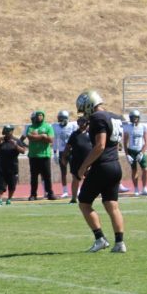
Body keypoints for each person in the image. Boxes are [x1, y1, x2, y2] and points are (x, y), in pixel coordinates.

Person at [74, 90, 126, 253]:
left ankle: (100, 239)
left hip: (103, 165)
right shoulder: (115, 117)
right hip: (115, 164)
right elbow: (117, 144)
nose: (84, 113)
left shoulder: (97, 117)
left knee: (84, 201)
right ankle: (120, 243)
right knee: (112, 204)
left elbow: (100, 145)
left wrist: (83, 166)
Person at [23, 109, 56, 200]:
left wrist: (38, 137)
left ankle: (50, 193)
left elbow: (50, 140)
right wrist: (42, 136)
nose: (39, 117)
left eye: (41, 115)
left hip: (45, 155)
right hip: (33, 155)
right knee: (34, 176)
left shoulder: (48, 127)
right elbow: (30, 137)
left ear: (43, 116)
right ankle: (33, 194)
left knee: (47, 176)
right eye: (38, 115)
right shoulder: (31, 127)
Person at [0, 124, 26, 205]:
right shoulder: (0, 140)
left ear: (11, 131)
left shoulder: (17, 140)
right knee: (0, 184)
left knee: (12, 184)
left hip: (12, 166)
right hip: (1, 166)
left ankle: (9, 199)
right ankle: (0, 199)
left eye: (8, 131)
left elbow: (23, 151)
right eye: (6, 131)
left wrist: (16, 145)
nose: (7, 133)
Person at [121, 109, 147, 196]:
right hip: (131, 151)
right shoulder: (127, 127)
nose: (134, 119)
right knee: (134, 170)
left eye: (136, 117)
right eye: (132, 117)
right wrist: (127, 155)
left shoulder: (143, 126)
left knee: (145, 169)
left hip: (140, 150)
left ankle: (145, 188)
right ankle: (136, 188)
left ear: (139, 118)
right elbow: (125, 142)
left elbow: (146, 142)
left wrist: (142, 153)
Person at [65, 116, 92, 203]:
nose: (81, 124)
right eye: (79, 122)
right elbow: (68, 147)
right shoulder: (74, 134)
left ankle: (88, 197)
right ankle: (74, 198)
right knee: (75, 179)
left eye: (83, 122)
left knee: (89, 179)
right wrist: (64, 157)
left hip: (88, 160)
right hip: (76, 160)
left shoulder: (91, 134)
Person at [52, 110, 77, 198]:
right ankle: (65, 190)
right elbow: (55, 140)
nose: (60, 120)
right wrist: (55, 152)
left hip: (72, 151)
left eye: (61, 118)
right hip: (62, 152)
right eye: (59, 118)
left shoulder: (73, 125)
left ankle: (76, 189)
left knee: (75, 172)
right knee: (63, 172)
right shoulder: (56, 127)